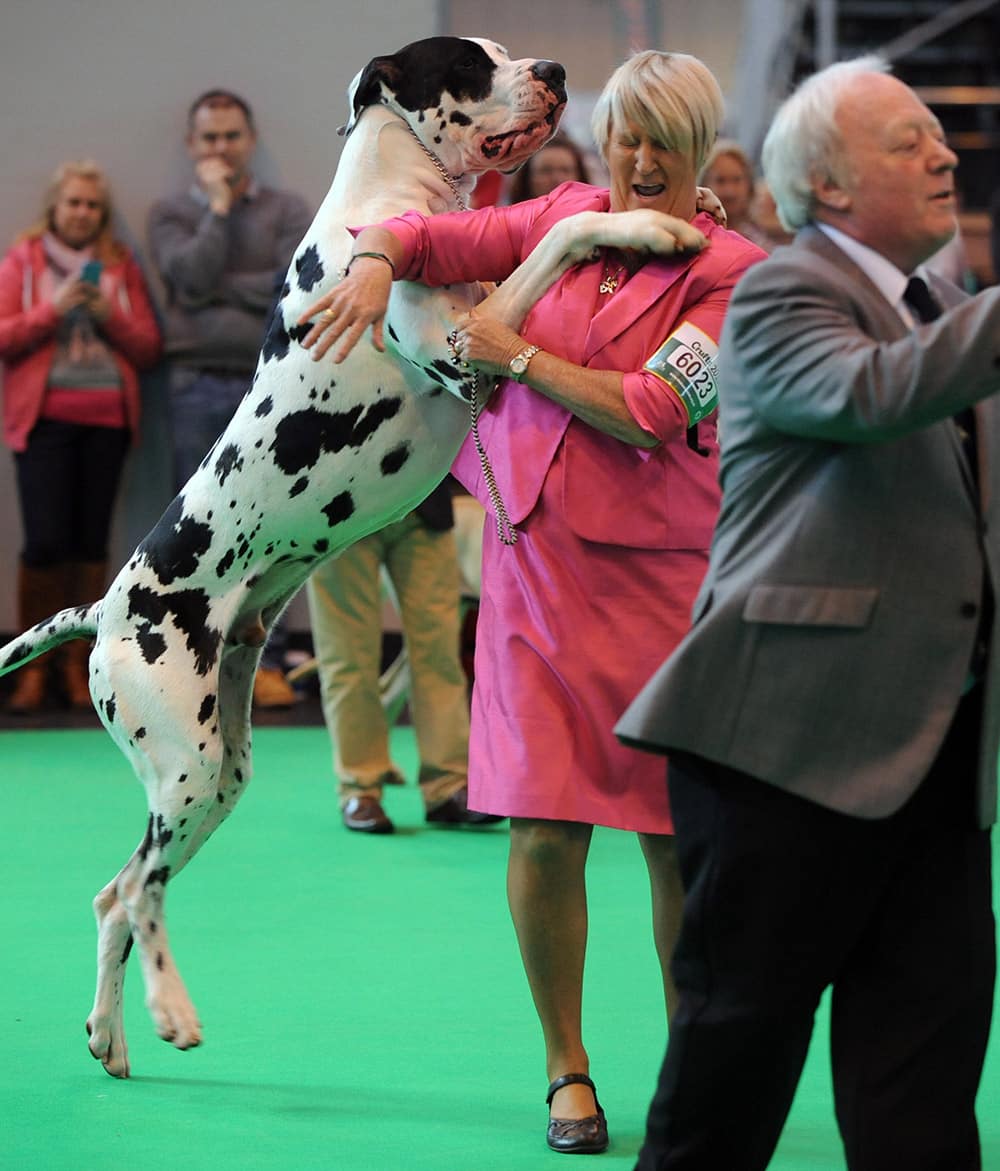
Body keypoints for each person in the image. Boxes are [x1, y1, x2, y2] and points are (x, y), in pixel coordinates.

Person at [298, 50, 765, 1154]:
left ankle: (687, 1065)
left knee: (667, 843)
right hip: (527, 571)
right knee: (544, 831)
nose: (640, 161)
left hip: (663, 591)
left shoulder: (734, 269)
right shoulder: (561, 212)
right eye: (626, 138)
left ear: (700, 149)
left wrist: (514, 354)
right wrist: (374, 260)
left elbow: (653, 407)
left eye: (663, 141)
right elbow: (433, 237)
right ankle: (567, 1071)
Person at [617, 55, 999, 1170]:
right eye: (909, 139)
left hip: (934, 753)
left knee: (921, 1092)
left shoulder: (941, 307)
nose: (943, 153)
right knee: (729, 1080)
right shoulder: (784, 289)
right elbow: (863, 396)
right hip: (781, 743)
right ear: (828, 187)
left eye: (941, 136)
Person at [148, 88, 311, 708]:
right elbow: (186, 278)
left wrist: (211, 289)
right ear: (193, 145)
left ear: (250, 141)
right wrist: (217, 210)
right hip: (191, 384)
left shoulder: (288, 207)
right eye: (209, 138)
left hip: (269, 384)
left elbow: (286, 287)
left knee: (271, 520)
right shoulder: (169, 212)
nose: (221, 148)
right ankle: (191, 661)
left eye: (231, 136)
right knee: (197, 526)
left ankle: (264, 662)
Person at [0, 159, 161, 714]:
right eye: (73, 202)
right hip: (44, 422)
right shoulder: (23, 261)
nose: (82, 213)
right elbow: (4, 335)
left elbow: (147, 346)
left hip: (107, 423)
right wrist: (53, 310)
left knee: (91, 545)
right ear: (55, 207)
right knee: (45, 544)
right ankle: (32, 666)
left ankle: (78, 666)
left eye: (92, 205)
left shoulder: (119, 266)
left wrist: (107, 314)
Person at [306, 478, 502, 832]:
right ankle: (360, 788)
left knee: (440, 655)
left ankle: (447, 786)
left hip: (423, 501)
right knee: (347, 656)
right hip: (338, 505)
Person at [697, 138, 780, 252]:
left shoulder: (761, 243)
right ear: (703, 184)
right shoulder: (695, 241)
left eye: (737, 180)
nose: (730, 191)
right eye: (720, 181)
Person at [505, 131, 591, 203]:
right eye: (546, 171)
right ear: (526, 177)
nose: (557, 179)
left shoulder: (597, 220)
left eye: (566, 170)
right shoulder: (506, 221)